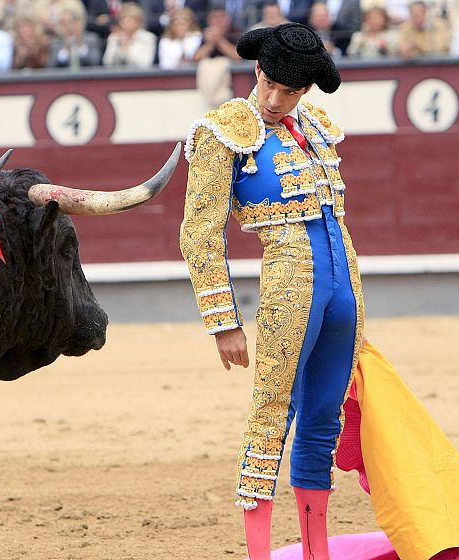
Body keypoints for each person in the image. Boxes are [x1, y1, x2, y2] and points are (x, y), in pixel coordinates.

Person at [179, 22, 359, 560]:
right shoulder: (220, 130)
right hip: (290, 285)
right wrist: (224, 321)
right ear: (256, 70)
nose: (277, 99)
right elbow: (199, 232)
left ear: (307, 90)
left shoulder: (319, 127)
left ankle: (314, 552)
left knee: (323, 418)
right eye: (270, 85)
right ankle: (259, 554)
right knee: (270, 415)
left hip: (345, 287)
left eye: (292, 91)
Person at [102, 2, 157, 68]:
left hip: (139, 76)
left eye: (130, 19)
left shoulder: (148, 37)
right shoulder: (114, 37)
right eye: (124, 19)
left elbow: (145, 63)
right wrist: (118, 44)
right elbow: (107, 62)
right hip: (117, 75)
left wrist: (126, 49)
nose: (127, 22)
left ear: (138, 21)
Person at [48, 2, 102, 69]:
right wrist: (65, 51)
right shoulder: (55, 43)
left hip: (87, 77)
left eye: (72, 22)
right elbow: (51, 66)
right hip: (65, 78)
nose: (69, 27)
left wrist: (81, 47)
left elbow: (96, 61)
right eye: (64, 24)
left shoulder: (91, 39)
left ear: (79, 23)